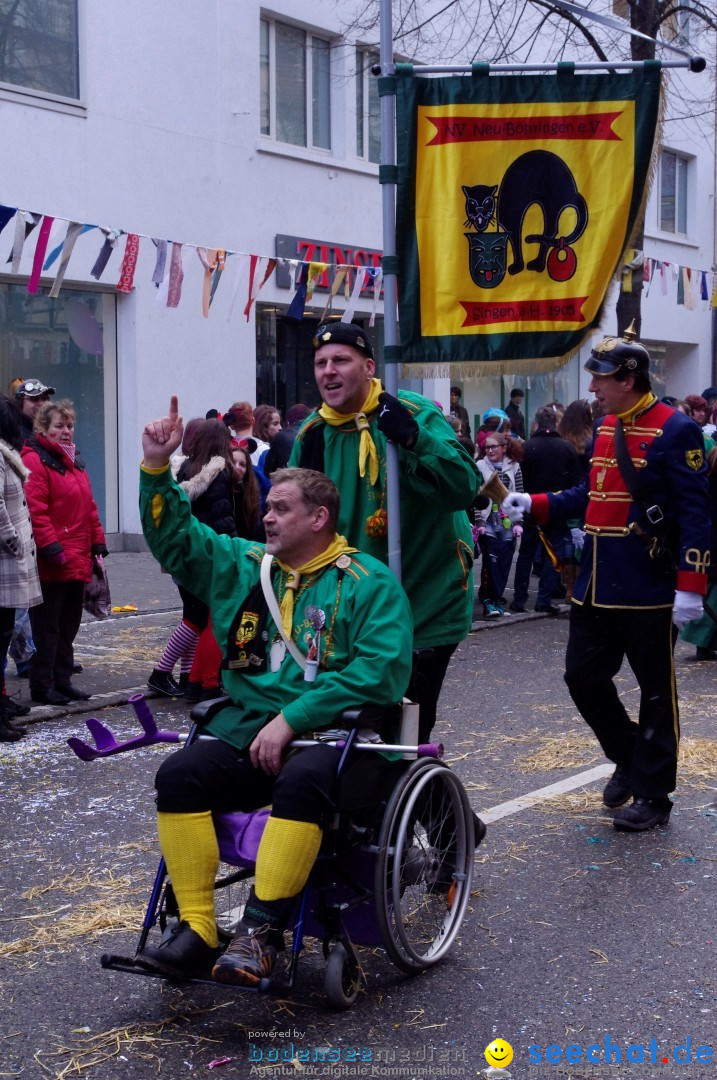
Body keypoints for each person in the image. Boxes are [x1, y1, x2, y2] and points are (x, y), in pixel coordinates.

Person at [136, 396, 413, 984]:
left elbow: (379, 673)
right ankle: (198, 929)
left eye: (281, 510)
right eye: (268, 506)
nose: (267, 517)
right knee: (180, 775)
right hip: (250, 727)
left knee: (303, 779)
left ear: (319, 518)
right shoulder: (244, 565)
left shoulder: (369, 582)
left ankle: (260, 934)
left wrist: (293, 718)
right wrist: (156, 468)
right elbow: (176, 540)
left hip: (344, 738)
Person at [503, 325, 710, 832]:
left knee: (656, 693)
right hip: (595, 583)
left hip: (648, 585)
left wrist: (691, 584)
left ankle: (655, 794)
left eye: (600, 379)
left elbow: (697, 513)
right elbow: (589, 498)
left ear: (629, 378)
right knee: (582, 678)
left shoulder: (676, 430)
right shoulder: (606, 427)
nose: (592, 389)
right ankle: (631, 754)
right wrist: (536, 503)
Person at [290, 322, 481, 743]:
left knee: (403, 729)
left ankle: (423, 803)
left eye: (340, 360)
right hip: (351, 608)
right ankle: (418, 806)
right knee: (350, 728)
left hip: (423, 600)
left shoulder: (410, 412)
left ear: (369, 366)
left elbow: (464, 487)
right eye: (321, 363)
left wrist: (414, 439)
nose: (328, 371)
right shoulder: (312, 435)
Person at [23, 399, 107, 705]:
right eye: (59, 426)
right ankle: (42, 685)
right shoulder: (35, 460)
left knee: (69, 624)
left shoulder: (74, 461)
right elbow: (36, 509)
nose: (66, 431)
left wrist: (97, 541)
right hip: (53, 560)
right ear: (44, 429)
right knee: (48, 627)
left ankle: (62, 680)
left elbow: (89, 506)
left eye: (69, 425)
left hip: (76, 555)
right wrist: (50, 546)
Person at [148, 419, 237, 697]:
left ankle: (187, 675)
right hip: (204, 555)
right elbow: (221, 520)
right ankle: (161, 672)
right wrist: (235, 549)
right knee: (196, 618)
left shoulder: (183, 469)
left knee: (192, 613)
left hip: (182, 554)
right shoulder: (216, 475)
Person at [510, 406, 582, 615]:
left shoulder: (528, 447)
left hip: (530, 508)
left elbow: (520, 480)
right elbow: (576, 482)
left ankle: (519, 599)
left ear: (537, 423)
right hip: (557, 510)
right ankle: (543, 599)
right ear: (555, 424)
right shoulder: (566, 448)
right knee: (553, 556)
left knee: (525, 554)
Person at [0, 396, 42, 740]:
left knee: (3, 637)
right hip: (4, 562)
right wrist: (15, 543)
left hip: (8, 563)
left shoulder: (5, 453)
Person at [475, 433, 524, 618]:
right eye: (487, 448)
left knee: (504, 561)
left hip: (507, 521)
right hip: (488, 519)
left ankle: (497, 599)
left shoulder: (514, 467)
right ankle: (488, 601)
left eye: (494, 447)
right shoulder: (480, 466)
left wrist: (519, 522)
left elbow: (519, 494)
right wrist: (479, 521)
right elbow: (477, 496)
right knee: (490, 562)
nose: (490, 451)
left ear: (504, 447)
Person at [680, 446, 717, 660]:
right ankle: (702, 641)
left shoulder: (706, 477)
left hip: (708, 540)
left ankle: (704, 641)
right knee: (712, 597)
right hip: (711, 541)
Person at [14, 378, 55, 443]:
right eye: (34, 398)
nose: (42, 404)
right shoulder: (14, 433)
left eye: (45, 398)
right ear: (20, 403)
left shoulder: (52, 430)